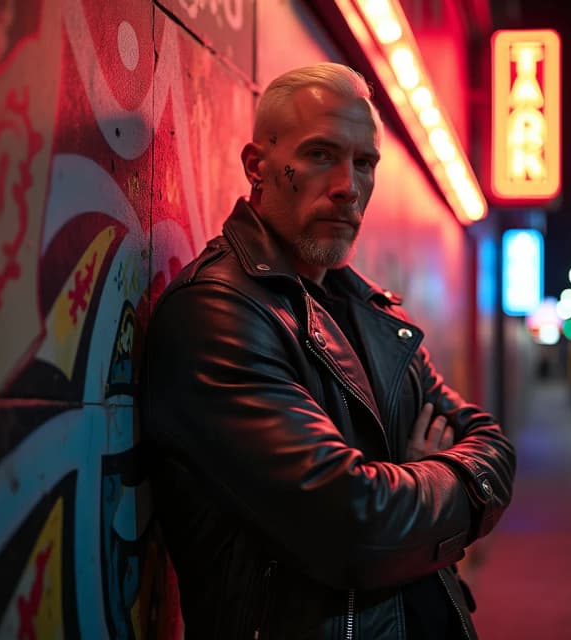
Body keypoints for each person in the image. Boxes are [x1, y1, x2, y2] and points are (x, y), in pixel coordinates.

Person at [140, 62, 516, 640]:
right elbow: (354, 524)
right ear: (256, 166)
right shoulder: (218, 312)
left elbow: (490, 443)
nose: (348, 185)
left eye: (364, 163)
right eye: (320, 155)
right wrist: (435, 483)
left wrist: (406, 487)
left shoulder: (371, 310)